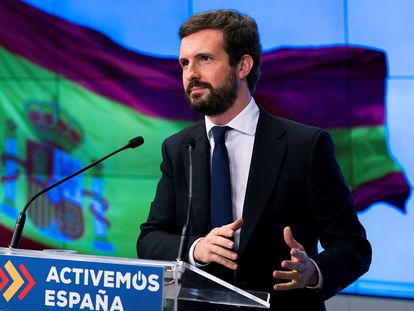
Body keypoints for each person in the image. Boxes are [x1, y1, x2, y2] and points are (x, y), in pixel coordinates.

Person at [137, 9, 371, 310]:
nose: (191, 73)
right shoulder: (179, 147)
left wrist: (313, 272)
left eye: (205, 59)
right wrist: (197, 248)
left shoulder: (304, 145)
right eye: (185, 63)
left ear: (243, 65)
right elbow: (149, 239)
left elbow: (354, 247)